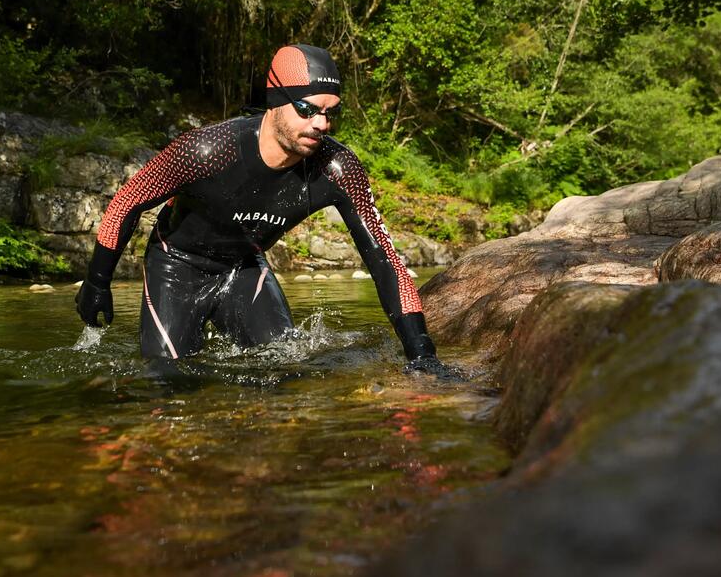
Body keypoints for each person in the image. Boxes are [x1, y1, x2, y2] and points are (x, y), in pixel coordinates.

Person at [75, 44, 444, 371]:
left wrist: (422, 354)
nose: (321, 124)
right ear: (276, 101)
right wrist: (97, 281)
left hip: (244, 266)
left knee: (282, 372)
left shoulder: (337, 169)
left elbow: (386, 262)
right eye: (307, 109)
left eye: (331, 113)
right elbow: (127, 201)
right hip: (176, 266)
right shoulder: (207, 151)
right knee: (168, 381)